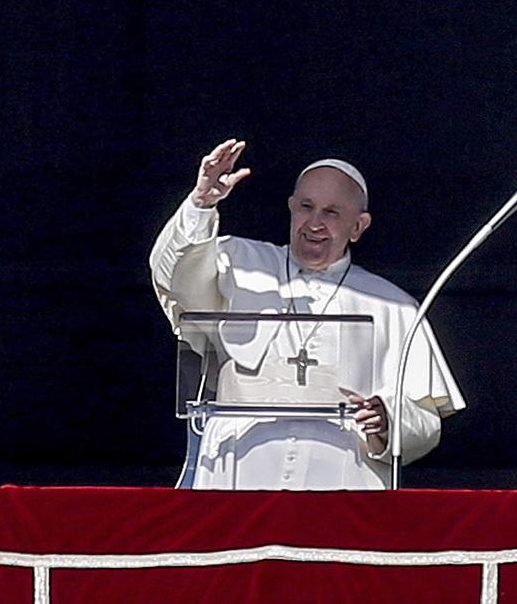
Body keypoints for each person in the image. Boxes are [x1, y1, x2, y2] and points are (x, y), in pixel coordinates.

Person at [150, 139, 465, 489]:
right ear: (291, 207)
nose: (314, 223)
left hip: (341, 477)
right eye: (306, 207)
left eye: (331, 213)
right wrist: (201, 204)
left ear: (358, 226)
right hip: (238, 465)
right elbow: (173, 277)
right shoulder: (238, 262)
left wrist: (388, 419)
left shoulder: (394, 306)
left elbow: (425, 419)